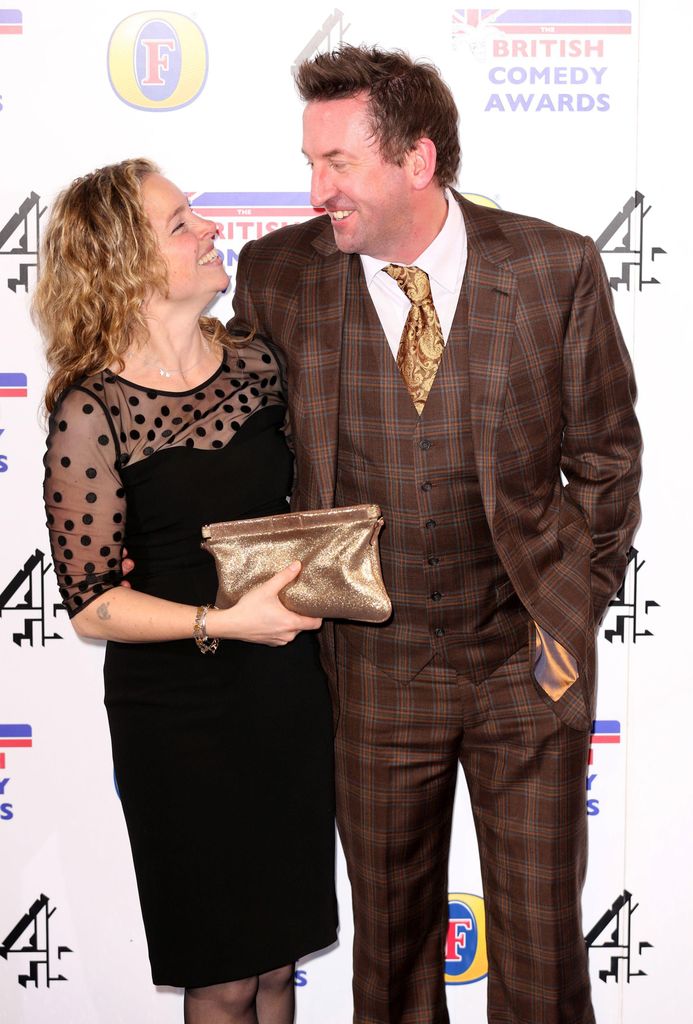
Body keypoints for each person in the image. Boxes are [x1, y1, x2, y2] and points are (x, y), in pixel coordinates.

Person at [228, 45, 642, 1024]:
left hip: (525, 672)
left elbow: (608, 463)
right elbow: (243, 456)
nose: (316, 187)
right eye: (310, 161)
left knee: (542, 969)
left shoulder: (554, 267)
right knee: (395, 971)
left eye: (339, 162)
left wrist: (564, 621)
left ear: (417, 160)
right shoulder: (277, 274)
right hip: (369, 674)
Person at [36, 158, 337, 1024]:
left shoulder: (261, 368)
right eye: (180, 223)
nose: (209, 231)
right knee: (222, 977)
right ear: (122, 261)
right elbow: (93, 600)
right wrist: (222, 620)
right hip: (177, 716)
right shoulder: (89, 411)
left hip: (284, 693)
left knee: (278, 966)